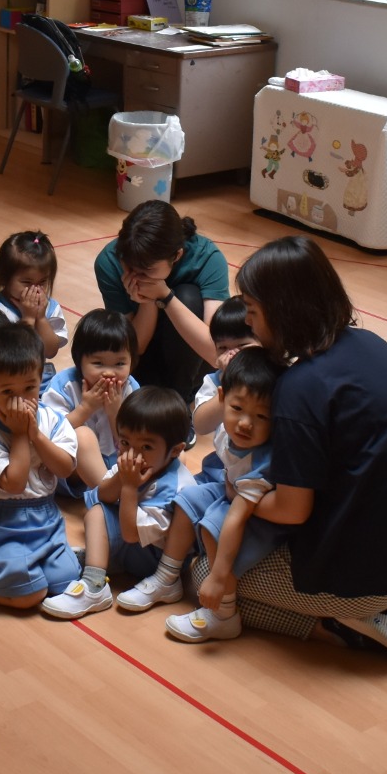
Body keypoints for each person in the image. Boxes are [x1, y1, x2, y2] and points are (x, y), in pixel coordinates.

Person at [195, 235, 387, 662]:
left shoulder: (300, 388)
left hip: (361, 578)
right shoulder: (371, 343)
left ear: (283, 309)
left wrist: (239, 496)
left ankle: (341, 622)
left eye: (253, 310)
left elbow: (291, 511)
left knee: (205, 573)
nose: (248, 322)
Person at [117, 350, 289, 637]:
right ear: (222, 399)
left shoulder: (260, 464)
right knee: (188, 499)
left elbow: (236, 517)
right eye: (237, 408)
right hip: (233, 494)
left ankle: (224, 614)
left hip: (256, 515)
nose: (245, 423)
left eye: (261, 416)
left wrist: (217, 577)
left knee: (213, 528)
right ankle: (167, 578)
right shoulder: (229, 432)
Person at [42, 387, 197, 620]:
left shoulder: (175, 487)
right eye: (124, 442)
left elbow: (131, 534)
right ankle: (99, 566)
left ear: (175, 450)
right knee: (97, 511)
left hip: (155, 559)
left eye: (146, 447)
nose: (132, 454)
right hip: (137, 544)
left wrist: (130, 488)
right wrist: (121, 479)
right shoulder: (135, 463)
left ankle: (95, 586)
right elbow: (102, 496)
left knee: (100, 515)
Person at [0, 322, 81, 610]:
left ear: (41, 378)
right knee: (29, 596)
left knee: (66, 581)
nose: (21, 401)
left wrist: (35, 435)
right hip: (1, 524)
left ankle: (22, 567)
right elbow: (14, 484)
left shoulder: (53, 420)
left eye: (30, 387)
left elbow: (65, 469)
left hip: (46, 518)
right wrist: (19, 434)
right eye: (8, 392)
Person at [92, 200, 229, 400]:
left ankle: (180, 401)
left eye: (146, 270)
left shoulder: (207, 257)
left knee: (188, 296)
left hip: (192, 359)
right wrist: (147, 301)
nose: (137, 276)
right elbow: (134, 348)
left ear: (177, 255)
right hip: (143, 358)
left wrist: (165, 297)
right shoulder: (110, 261)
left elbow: (216, 351)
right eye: (130, 268)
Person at [39, 310, 139, 492]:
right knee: (82, 436)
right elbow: (48, 433)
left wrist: (115, 413)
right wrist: (85, 409)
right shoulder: (64, 385)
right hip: (70, 470)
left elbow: (134, 442)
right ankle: (109, 495)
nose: (109, 372)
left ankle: (118, 491)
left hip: (114, 466)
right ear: (79, 361)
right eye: (98, 363)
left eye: (119, 364)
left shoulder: (130, 387)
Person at [190, 297, 260, 478]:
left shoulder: (272, 376)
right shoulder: (216, 380)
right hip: (222, 468)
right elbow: (201, 425)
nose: (232, 355)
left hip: (261, 470)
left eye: (242, 346)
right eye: (223, 348)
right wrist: (229, 384)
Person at [0, 231, 67, 373]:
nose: (35, 289)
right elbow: (14, 356)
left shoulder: (50, 307)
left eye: (42, 282)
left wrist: (41, 318)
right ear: (4, 278)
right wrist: (28, 318)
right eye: (27, 282)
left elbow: (50, 351)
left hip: (39, 375)